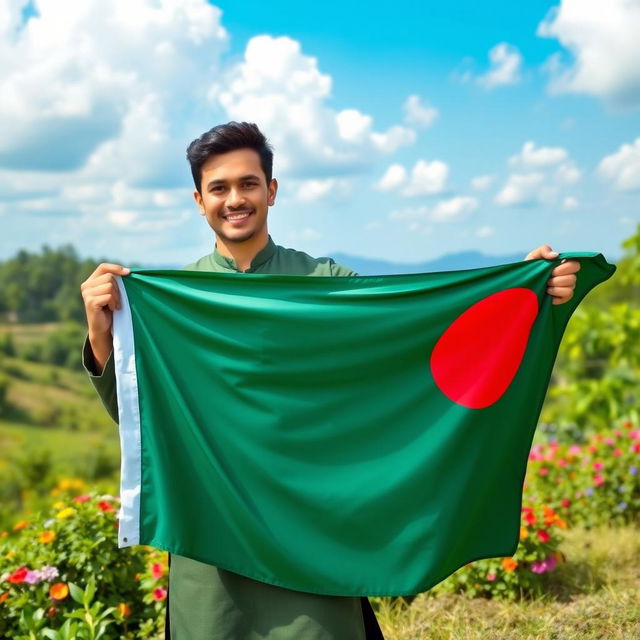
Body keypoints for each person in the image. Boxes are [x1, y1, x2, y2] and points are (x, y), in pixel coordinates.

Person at [80, 121, 580, 639]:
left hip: (315, 529)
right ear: (198, 200)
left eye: (248, 183)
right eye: (219, 188)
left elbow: (417, 333)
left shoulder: (327, 286)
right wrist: (101, 334)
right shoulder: (173, 307)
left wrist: (522, 292)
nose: (235, 199)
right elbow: (136, 416)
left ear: (271, 191)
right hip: (214, 538)